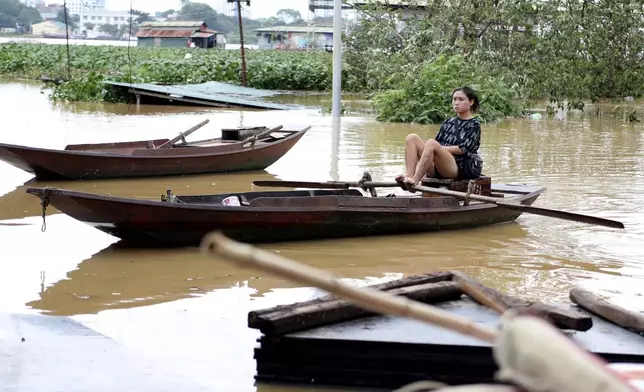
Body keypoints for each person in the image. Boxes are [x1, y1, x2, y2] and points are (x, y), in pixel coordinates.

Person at [395, 86, 483, 186]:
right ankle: (409, 175)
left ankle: (415, 180)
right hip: (438, 166)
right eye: (454, 99)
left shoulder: (474, 124)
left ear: (471, 102)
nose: (456, 102)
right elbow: (436, 145)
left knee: (431, 143)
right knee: (412, 138)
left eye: (461, 99)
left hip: (458, 168)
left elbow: (463, 149)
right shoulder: (448, 122)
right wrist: (434, 149)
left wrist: (440, 148)